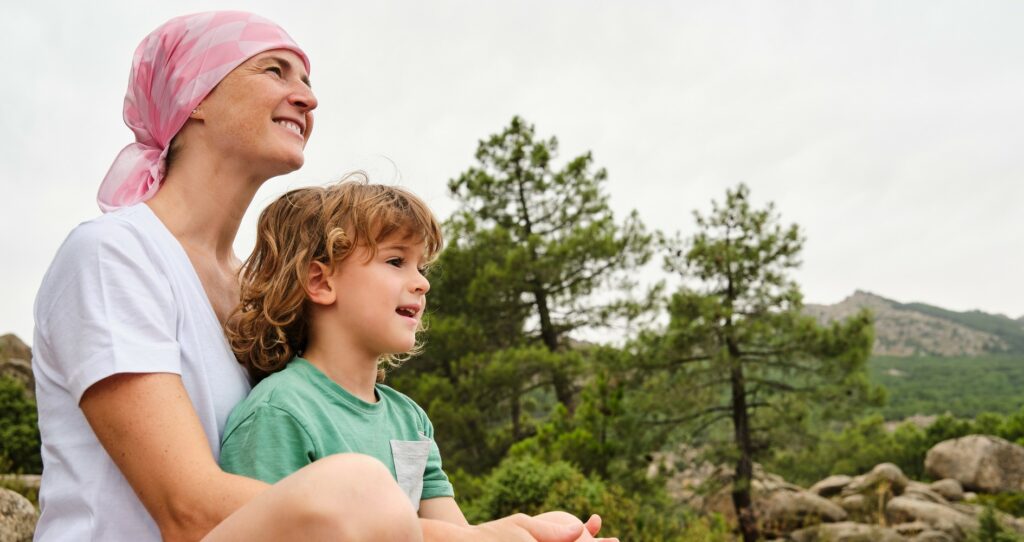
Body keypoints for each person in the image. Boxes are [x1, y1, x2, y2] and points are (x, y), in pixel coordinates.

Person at [32, 11, 605, 542]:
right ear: (195, 96)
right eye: (274, 71)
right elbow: (189, 509)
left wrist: (519, 532)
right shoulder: (113, 255)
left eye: (305, 79)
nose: (306, 97)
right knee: (357, 485)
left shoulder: (248, 295)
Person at [218, 181, 611, 542]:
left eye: (421, 266)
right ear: (321, 282)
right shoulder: (280, 412)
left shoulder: (411, 420)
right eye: (396, 261)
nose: (422, 282)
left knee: (562, 526)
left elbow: (458, 534)